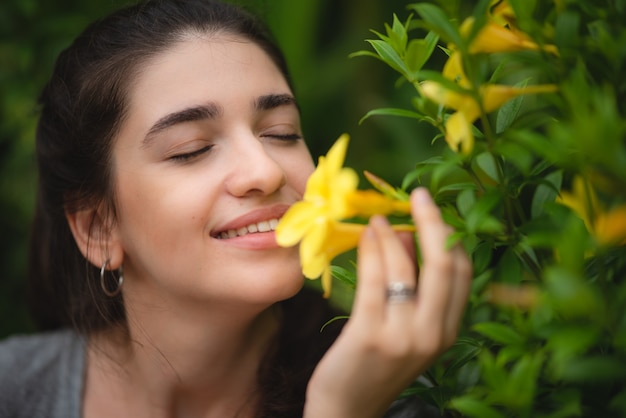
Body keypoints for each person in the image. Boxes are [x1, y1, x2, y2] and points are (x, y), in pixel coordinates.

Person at [0, 0, 472, 417]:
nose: (264, 172)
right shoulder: (15, 390)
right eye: (190, 149)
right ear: (99, 228)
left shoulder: (395, 396)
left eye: (281, 133)